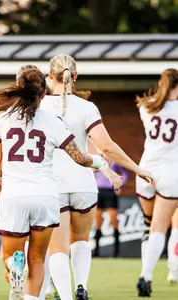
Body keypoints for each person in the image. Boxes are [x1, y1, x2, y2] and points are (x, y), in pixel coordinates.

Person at [0, 67, 122, 300]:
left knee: (11, 256)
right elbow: (80, 157)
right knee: (38, 259)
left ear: (18, 89)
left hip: (14, 195)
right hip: (46, 196)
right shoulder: (53, 122)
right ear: (43, 94)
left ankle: (13, 266)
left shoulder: (3, 121)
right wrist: (100, 163)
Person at [39, 54, 154, 300]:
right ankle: (81, 287)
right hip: (84, 184)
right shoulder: (87, 107)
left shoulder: (39, 107)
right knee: (80, 240)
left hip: (51, 185)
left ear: (49, 77)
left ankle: (66, 296)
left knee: (57, 248)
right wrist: (137, 169)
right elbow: (107, 146)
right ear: (76, 76)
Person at [135, 68, 178, 296]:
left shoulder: (147, 105)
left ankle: (148, 272)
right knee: (159, 229)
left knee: (147, 224)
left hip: (146, 170)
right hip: (171, 173)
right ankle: (146, 275)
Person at [93, 156, 128, 258]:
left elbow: (124, 174)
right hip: (98, 191)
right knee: (98, 222)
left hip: (110, 192)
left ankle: (116, 252)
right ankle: (96, 251)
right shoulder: (96, 159)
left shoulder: (113, 161)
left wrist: (120, 185)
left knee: (113, 221)